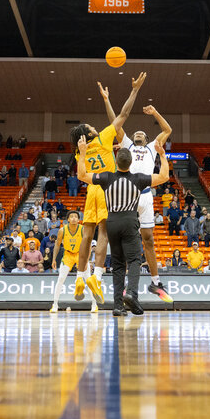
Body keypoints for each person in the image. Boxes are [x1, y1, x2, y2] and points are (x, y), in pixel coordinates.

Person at [68, 71, 146, 306]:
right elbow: (124, 114)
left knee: (86, 235)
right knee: (104, 234)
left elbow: (81, 174)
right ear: (90, 133)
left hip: (90, 188)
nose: (95, 126)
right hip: (105, 188)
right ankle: (97, 277)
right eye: (91, 126)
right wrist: (134, 90)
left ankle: (80, 278)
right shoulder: (102, 137)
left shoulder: (79, 150)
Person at [76, 132, 168, 316]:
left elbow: (82, 175)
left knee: (117, 264)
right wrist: (163, 156)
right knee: (134, 260)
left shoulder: (106, 177)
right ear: (131, 163)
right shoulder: (139, 179)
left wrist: (83, 153)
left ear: (116, 162)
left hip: (111, 222)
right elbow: (164, 176)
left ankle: (118, 306)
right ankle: (132, 294)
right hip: (129, 221)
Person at [101, 89, 174, 304]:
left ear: (147, 138)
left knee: (149, 239)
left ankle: (155, 281)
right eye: (137, 133)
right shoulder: (127, 145)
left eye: (142, 133)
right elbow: (116, 122)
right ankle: (125, 286)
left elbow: (167, 129)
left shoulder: (152, 147)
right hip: (129, 195)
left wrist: (155, 113)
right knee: (127, 242)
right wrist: (107, 100)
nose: (139, 133)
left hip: (146, 195)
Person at [50, 211, 99, 313]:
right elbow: (57, 245)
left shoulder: (82, 229)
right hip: (68, 255)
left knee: (88, 279)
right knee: (61, 279)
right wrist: (54, 259)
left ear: (78, 219)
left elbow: (88, 245)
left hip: (80, 255)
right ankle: (55, 304)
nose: (73, 218)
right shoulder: (62, 230)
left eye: (75, 217)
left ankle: (94, 304)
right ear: (67, 219)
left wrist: (87, 259)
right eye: (71, 217)